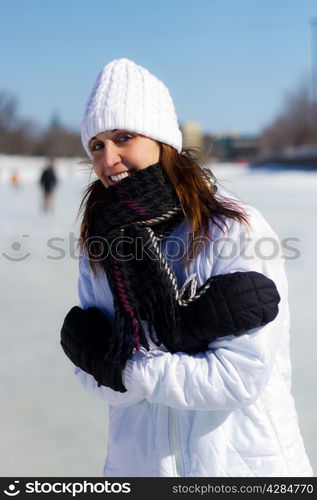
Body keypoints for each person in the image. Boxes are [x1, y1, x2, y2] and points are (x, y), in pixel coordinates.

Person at [60, 59, 312, 477]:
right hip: (139, 468)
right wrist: (167, 346)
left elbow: (237, 379)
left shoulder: (230, 229)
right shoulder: (100, 245)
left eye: (124, 137)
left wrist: (128, 363)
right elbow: (95, 379)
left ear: (162, 141)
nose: (109, 158)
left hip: (238, 468)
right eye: (97, 146)